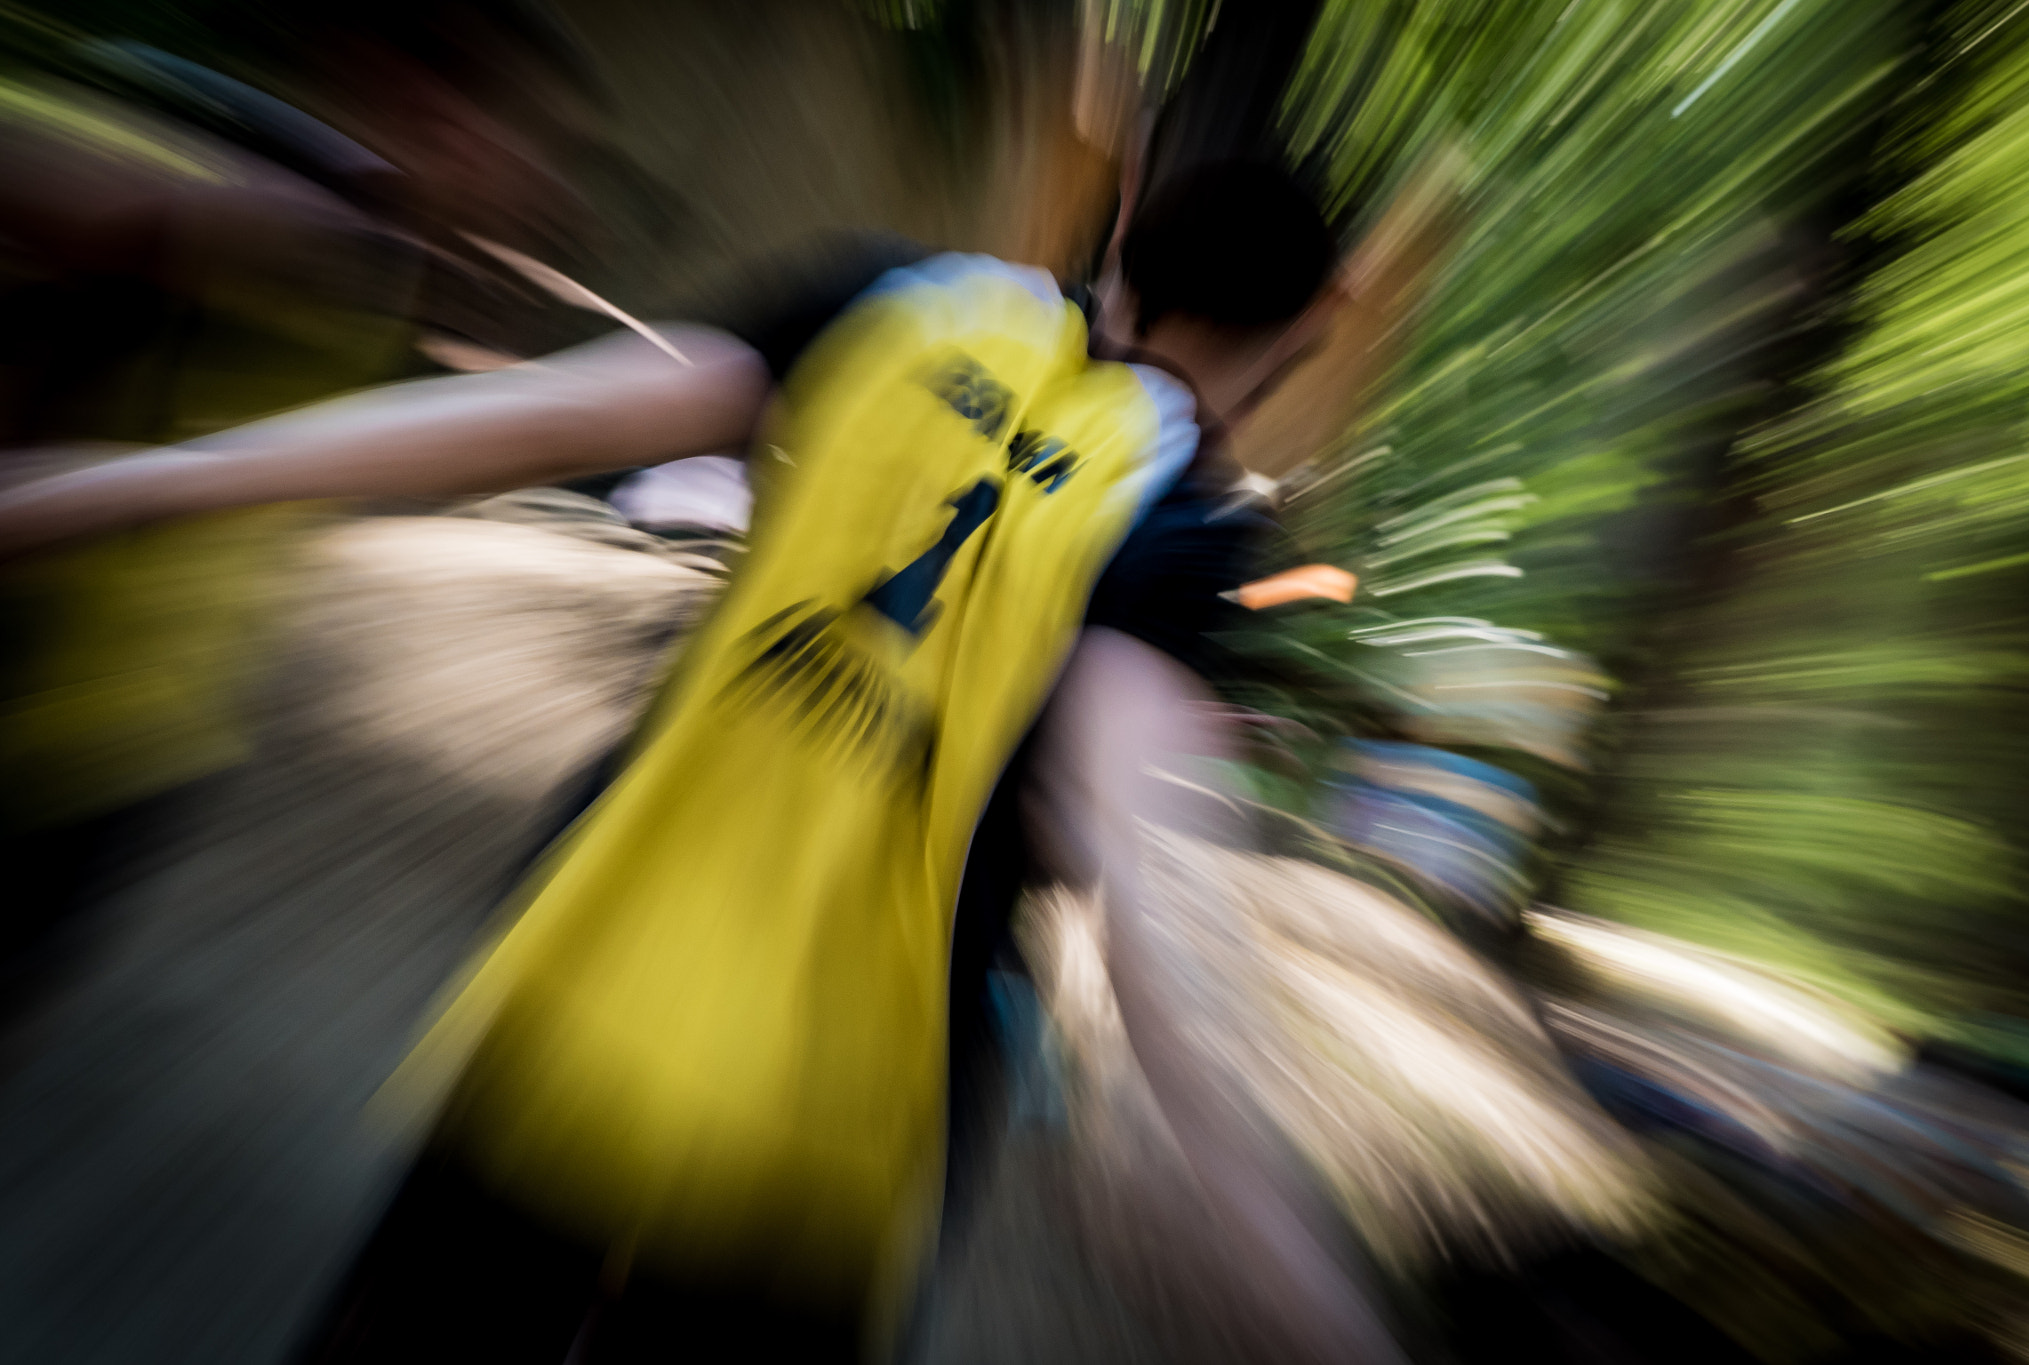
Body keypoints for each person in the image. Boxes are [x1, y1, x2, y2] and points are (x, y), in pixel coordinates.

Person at [0, 160, 1402, 1365]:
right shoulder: (1189, 540)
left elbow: (546, 418)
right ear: (1306, 327)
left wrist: (138, 478)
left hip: (587, 990)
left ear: (1131, 221)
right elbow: (1152, 877)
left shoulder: (896, 302)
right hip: (829, 1144)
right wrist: (1240, 1192)